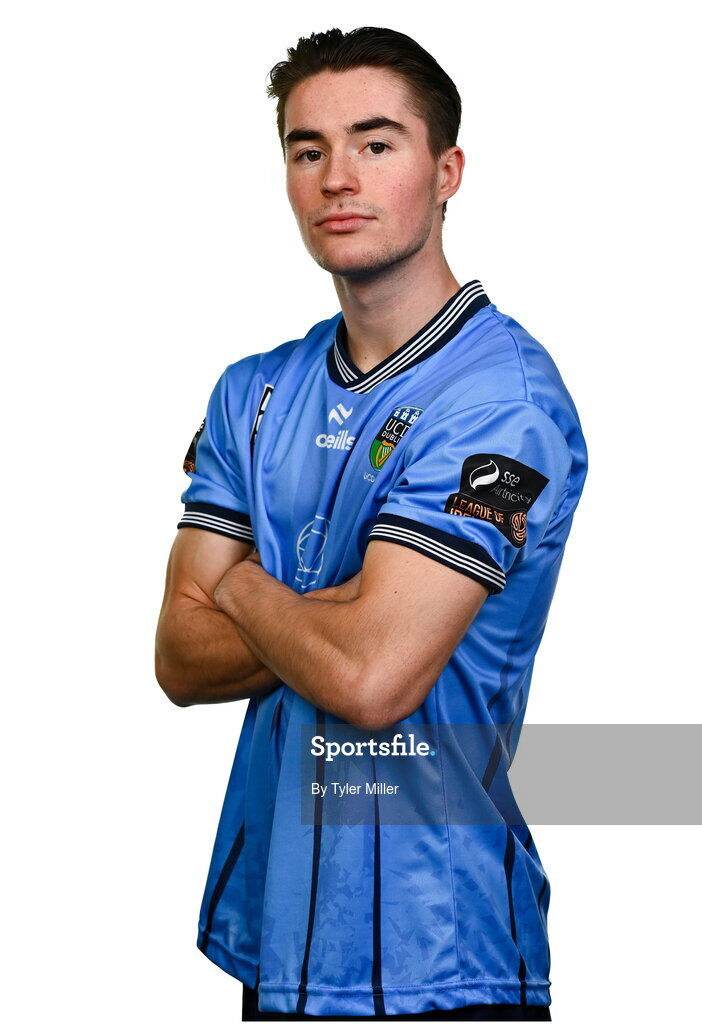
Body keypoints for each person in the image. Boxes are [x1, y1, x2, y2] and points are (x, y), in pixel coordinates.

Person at [155, 26, 587, 1022]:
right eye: (308, 150)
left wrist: (241, 583)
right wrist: (339, 610)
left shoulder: (503, 403)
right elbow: (179, 657)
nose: (337, 178)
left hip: (445, 954)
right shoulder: (254, 393)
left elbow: (371, 677)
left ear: (447, 171)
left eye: (376, 143)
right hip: (282, 942)